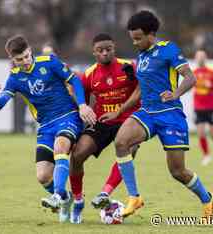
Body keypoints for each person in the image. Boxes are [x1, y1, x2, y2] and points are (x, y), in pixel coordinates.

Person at [113, 11, 213, 221]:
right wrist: (121, 110)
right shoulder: (141, 56)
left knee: (178, 171)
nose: (135, 43)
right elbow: (141, 90)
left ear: (151, 34)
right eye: (132, 38)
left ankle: (207, 198)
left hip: (170, 115)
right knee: (121, 142)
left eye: (138, 38)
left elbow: (190, 77)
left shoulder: (168, 49)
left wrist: (175, 94)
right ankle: (134, 197)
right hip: (148, 113)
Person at [0, 35, 96, 222]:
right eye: (19, 59)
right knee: (43, 176)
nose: (24, 61)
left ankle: (57, 195)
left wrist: (81, 105)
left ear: (30, 50)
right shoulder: (14, 78)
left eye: (26, 56)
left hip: (68, 117)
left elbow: (74, 81)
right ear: (12, 60)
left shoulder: (50, 62)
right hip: (46, 126)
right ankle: (66, 198)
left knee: (61, 146)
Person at [69, 33, 140, 224]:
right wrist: (82, 107)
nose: (105, 53)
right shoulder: (90, 74)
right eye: (100, 50)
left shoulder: (128, 67)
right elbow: (79, 95)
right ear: (94, 52)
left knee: (130, 151)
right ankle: (77, 201)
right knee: (76, 155)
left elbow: (140, 89)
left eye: (108, 49)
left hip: (128, 120)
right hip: (102, 121)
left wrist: (122, 110)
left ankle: (104, 193)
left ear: (114, 48)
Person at [193, 50, 213, 165]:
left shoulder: (212, 71)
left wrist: (211, 85)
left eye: (202, 57)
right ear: (195, 59)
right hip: (198, 106)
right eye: (198, 57)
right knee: (200, 132)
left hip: (211, 106)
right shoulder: (193, 72)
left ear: (205, 58)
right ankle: (206, 155)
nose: (200, 59)